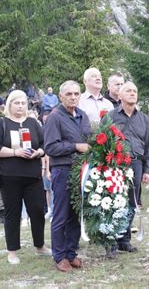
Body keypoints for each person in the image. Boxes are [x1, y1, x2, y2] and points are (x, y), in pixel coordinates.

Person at [0, 90, 50, 265]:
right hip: (10, 176)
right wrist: (15, 152)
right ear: (10, 104)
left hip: (33, 176)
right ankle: (12, 251)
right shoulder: (2, 123)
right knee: (12, 214)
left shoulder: (33, 123)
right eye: (17, 103)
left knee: (37, 211)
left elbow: (45, 143)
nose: (20, 106)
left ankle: (40, 246)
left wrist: (38, 152)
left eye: (23, 103)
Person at [44, 80, 91, 272]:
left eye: (76, 94)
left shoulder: (82, 115)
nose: (73, 97)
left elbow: (89, 139)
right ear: (61, 96)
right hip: (62, 171)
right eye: (69, 94)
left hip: (81, 171)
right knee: (61, 215)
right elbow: (50, 147)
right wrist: (75, 147)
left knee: (75, 215)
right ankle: (60, 256)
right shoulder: (55, 117)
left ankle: (71, 253)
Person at [104, 82, 149, 253]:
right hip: (115, 165)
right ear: (120, 96)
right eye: (128, 91)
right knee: (113, 203)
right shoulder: (110, 117)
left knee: (132, 202)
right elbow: (102, 142)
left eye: (135, 91)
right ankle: (111, 241)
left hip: (136, 163)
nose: (132, 93)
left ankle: (124, 240)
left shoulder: (144, 118)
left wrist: (147, 170)